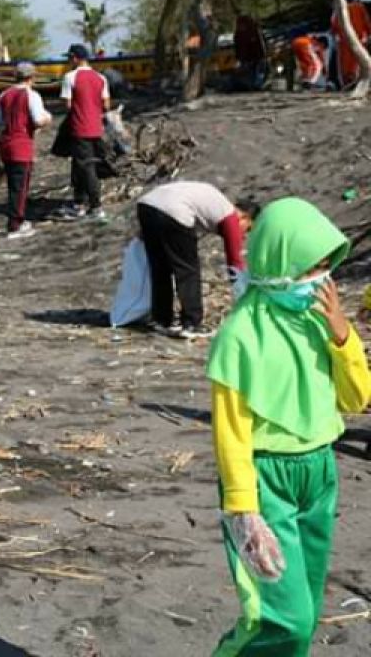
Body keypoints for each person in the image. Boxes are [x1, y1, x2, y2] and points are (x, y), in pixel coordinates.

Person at [208, 197, 371, 654]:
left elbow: (356, 399)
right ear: (277, 263)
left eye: (325, 268)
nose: (318, 281)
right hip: (264, 481)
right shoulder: (240, 335)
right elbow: (230, 432)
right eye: (307, 270)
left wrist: (343, 336)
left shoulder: (320, 321)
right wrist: (245, 511)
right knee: (285, 618)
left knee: (308, 607)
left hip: (320, 473)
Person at [136, 182, 257, 339]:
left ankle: (161, 320)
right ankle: (192, 323)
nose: (245, 235)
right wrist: (243, 294)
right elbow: (235, 262)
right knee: (188, 270)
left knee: (161, 266)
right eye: (248, 229)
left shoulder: (216, 204)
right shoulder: (231, 216)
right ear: (245, 217)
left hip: (147, 205)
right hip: (173, 210)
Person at [0, 62, 52, 239]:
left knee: (14, 184)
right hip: (21, 144)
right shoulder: (31, 95)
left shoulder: (4, 95)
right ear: (31, 77)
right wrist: (48, 118)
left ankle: (18, 219)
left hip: (6, 144)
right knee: (20, 186)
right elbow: (37, 120)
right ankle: (15, 224)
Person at [57, 44, 111, 221]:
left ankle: (96, 207)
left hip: (80, 127)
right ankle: (79, 202)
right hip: (96, 128)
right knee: (80, 165)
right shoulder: (100, 77)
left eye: (69, 58)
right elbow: (106, 104)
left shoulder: (69, 77)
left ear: (74, 58)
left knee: (86, 167)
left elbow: (67, 105)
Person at [330, 0, 371, 88]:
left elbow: (334, 24)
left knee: (345, 62)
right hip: (359, 39)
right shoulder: (359, 7)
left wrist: (335, 34)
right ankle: (355, 79)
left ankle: (348, 81)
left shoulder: (339, 8)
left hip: (344, 39)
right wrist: (368, 33)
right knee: (358, 61)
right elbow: (366, 21)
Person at [233, 14, 268, 90]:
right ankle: (250, 84)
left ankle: (256, 84)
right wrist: (239, 58)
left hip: (257, 57)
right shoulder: (238, 34)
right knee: (247, 72)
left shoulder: (254, 31)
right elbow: (238, 47)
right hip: (247, 58)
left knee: (257, 71)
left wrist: (263, 56)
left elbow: (261, 45)